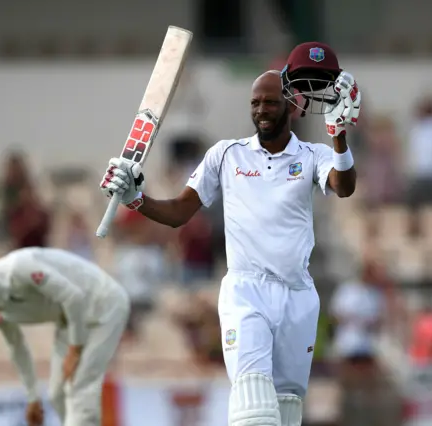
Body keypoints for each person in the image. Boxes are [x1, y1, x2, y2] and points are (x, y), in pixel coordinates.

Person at [100, 42, 361, 426]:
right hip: (246, 291)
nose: (260, 110)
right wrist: (135, 198)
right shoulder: (226, 154)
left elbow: (344, 186)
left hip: (298, 295)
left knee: (287, 412)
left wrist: (338, 136)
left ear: (291, 105)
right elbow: (178, 213)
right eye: (255, 102)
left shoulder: (312, 155)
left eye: (270, 102)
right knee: (255, 410)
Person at [0, 247, 130, 426]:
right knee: (56, 395)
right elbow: (17, 347)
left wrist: (75, 348)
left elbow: (73, 296)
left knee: (79, 387)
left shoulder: (19, 270)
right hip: (69, 320)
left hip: (104, 303)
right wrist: (32, 397)